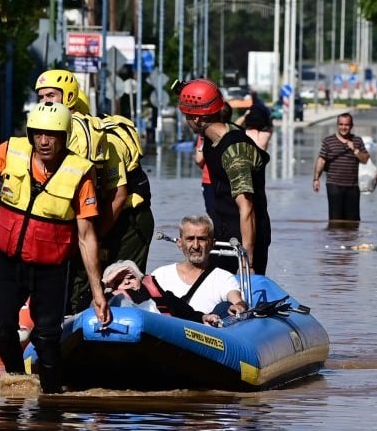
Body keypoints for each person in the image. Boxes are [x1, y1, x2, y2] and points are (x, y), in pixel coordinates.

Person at [0, 102, 111, 393]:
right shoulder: (10, 151)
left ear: (64, 136)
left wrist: (97, 292)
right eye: (38, 134)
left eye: (52, 135)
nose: (44, 141)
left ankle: (52, 396)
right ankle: (17, 380)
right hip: (10, 263)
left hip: (51, 268)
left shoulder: (80, 172)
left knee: (47, 337)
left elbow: (87, 235)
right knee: (1, 327)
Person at [34, 69, 154, 313]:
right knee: (77, 281)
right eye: (40, 97)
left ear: (68, 98)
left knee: (118, 282)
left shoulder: (100, 138)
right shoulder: (52, 135)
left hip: (128, 220)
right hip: (92, 219)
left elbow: (118, 195)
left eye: (50, 95)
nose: (44, 102)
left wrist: (93, 238)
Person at [178, 78, 271, 275]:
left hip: (244, 242)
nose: (186, 121)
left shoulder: (234, 150)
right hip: (223, 235)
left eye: (187, 116)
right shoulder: (212, 140)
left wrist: (248, 261)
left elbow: (246, 207)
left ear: (197, 119)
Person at [151, 215, 249, 317]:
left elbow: (237, 300)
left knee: (224, 307)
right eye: (190, 239)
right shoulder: (160, 275)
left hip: (207, 330)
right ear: (180, 243)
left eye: (202, 239)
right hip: (165, 330)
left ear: (212, 243)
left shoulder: (223, 278)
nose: (196, 246)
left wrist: (239, 306)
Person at [102, 260, 222, 326]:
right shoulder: (108, 299)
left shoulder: (164, 297)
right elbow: (88, 304)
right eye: (118, 280)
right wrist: (106, 283)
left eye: (131, 277)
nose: (127, 282)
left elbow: (190, 314)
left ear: (140, 279)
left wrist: (204, 317)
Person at [312, 113, 370, 222]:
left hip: (353, 186)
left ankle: (350, 239)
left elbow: (365, 159)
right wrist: (316, 179)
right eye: (341, 124)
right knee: (335, 220)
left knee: (353, 222)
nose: (344, 127)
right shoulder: (328, 141)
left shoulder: (357, 141)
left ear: (351, 126)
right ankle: (335, 239)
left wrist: (355, 150)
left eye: (347, 125)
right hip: (334, 185)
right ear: (337, 125)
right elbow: (321, 160)